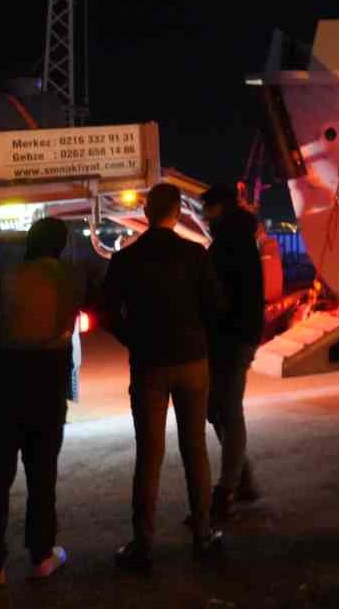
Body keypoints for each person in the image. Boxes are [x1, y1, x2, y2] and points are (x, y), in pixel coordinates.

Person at [98, 183, 226, 570]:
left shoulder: (126, 259)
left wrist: (132, 338)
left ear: (147, 213)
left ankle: (143, 543)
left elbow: (107, 312)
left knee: (149, 454)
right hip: (192, 362)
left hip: (149, 365)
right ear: (176, 214)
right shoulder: (195, 254)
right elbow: (215, 306)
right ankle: (203, 537)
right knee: (195, 449)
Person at [0, 217, 86, 587]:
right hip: (47, 390)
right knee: (42, 478)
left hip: (4, 388)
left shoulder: (2, 280)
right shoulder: (71, 279)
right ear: (61, 246)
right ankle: (41, 556)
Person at [200, 185, 265, 522]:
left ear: (220, 208)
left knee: (226, 409)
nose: (202, 214)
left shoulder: (228, 243)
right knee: (218, 409)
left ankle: (227, 490)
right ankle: (241, 479)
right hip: (239, 335)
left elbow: (220, 295)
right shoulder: (236, 237)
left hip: (230, 338)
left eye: (207, 208)